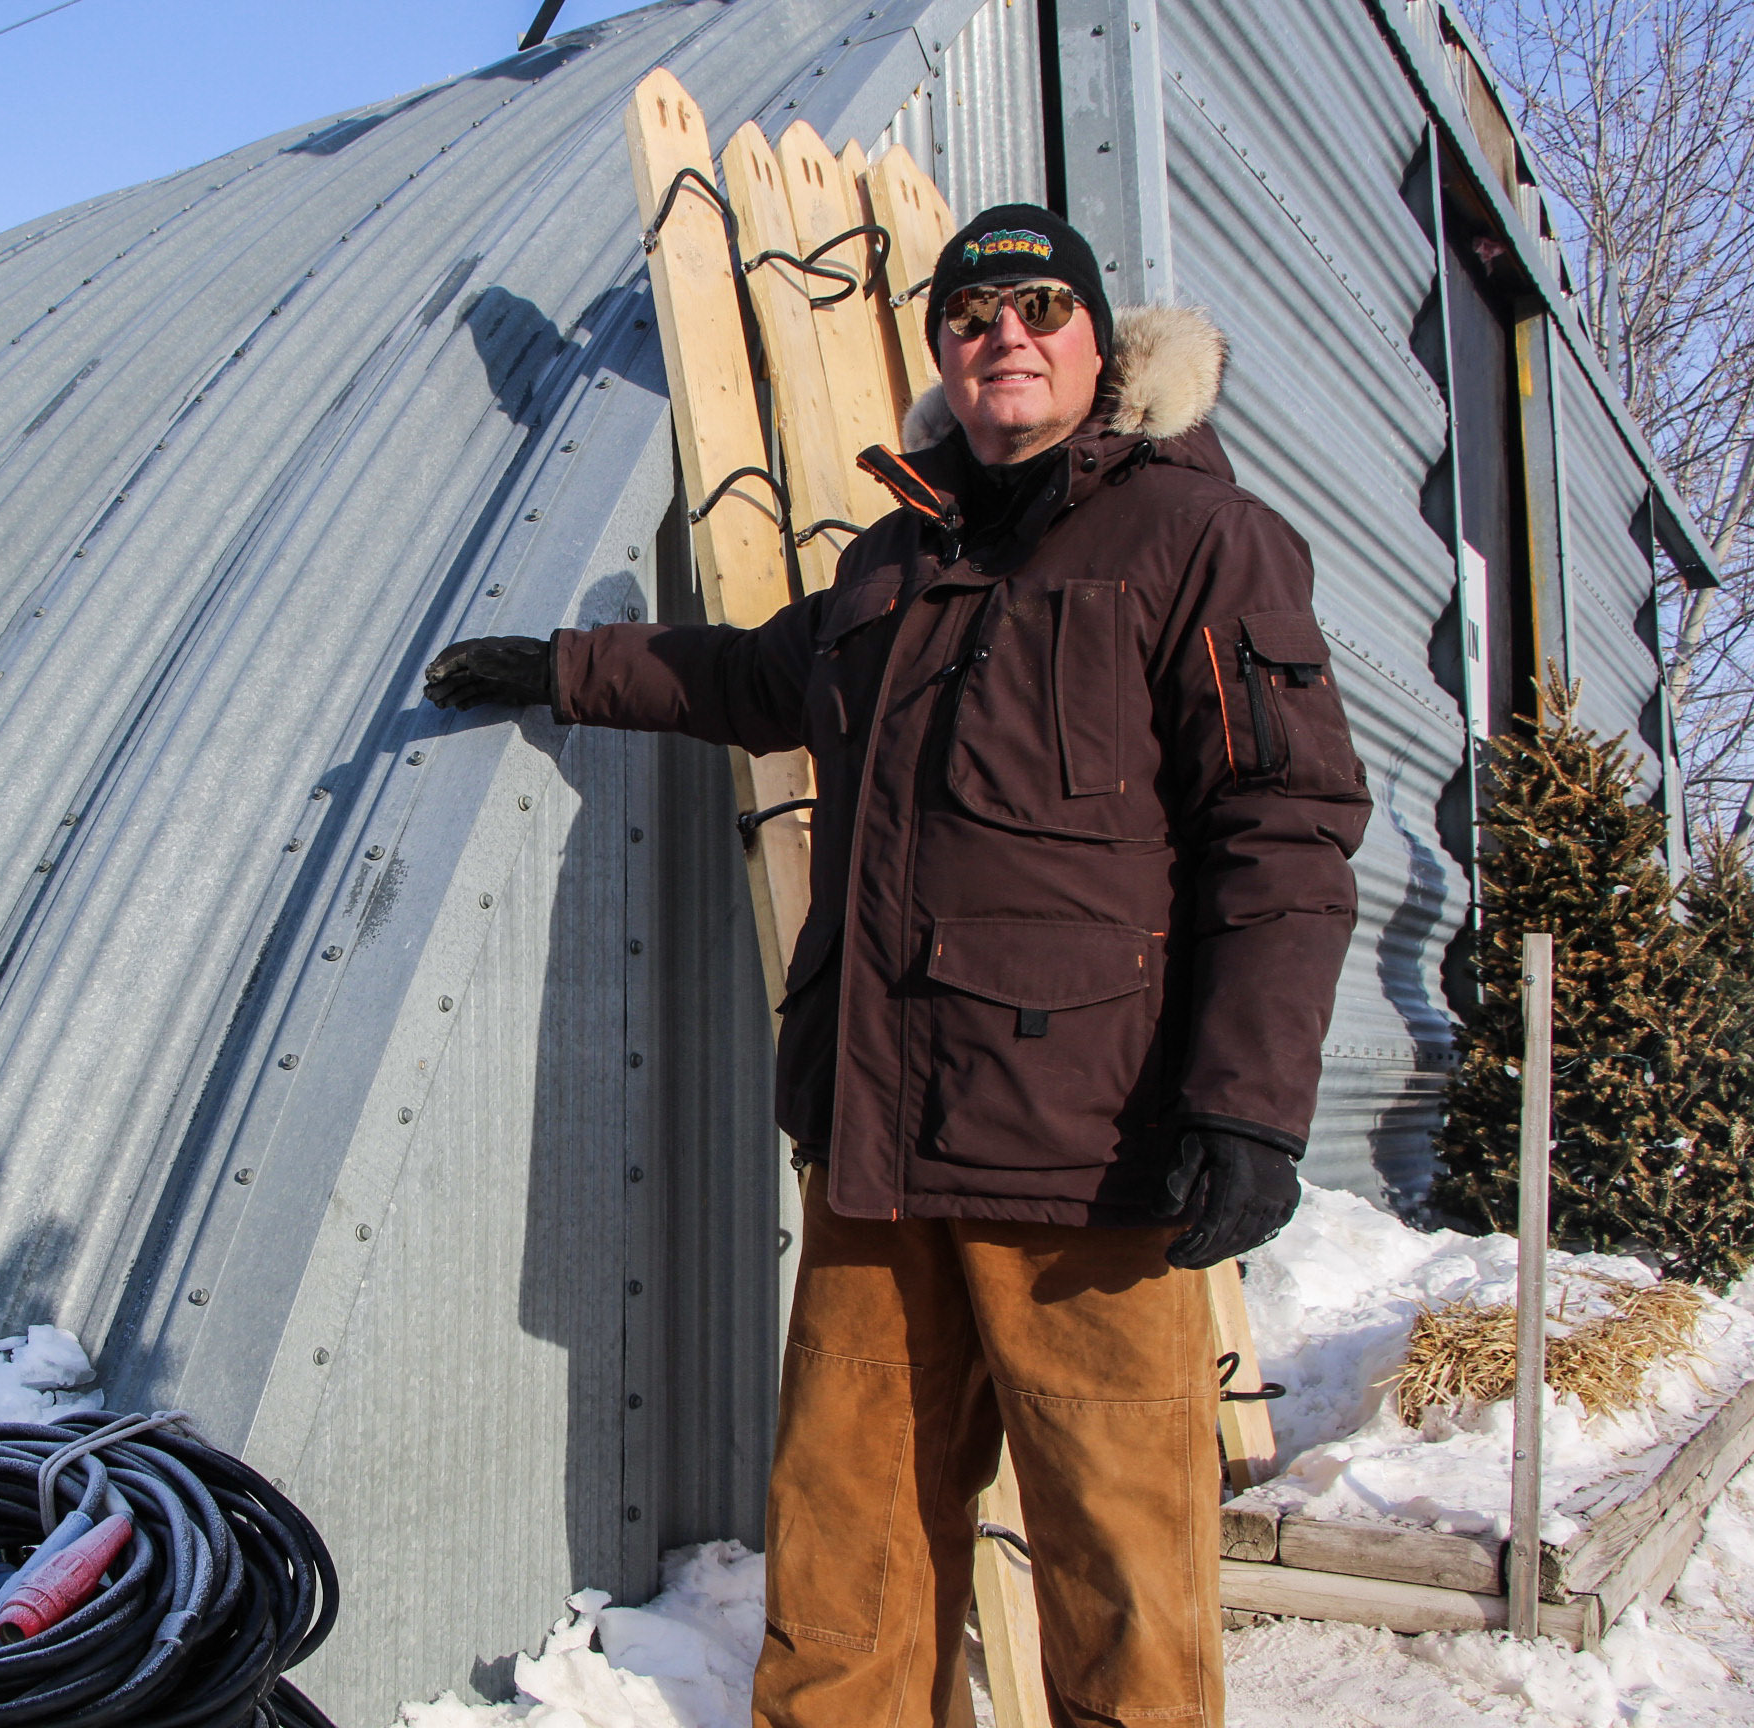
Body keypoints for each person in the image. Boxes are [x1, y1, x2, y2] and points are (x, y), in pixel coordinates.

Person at [424, 205, 1369, 1728]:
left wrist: (1247, 1108)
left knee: (1120, 1574)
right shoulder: (890, 561)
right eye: (974, 313)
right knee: (845, 1559)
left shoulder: (1199, 539)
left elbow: (1285, 828)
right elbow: (746, 674)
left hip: (1087, 1162)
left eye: (1042, 305)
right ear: (942, 348)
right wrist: (563, 668)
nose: (1007, 333)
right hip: (875, 1152)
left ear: (1103, 343)